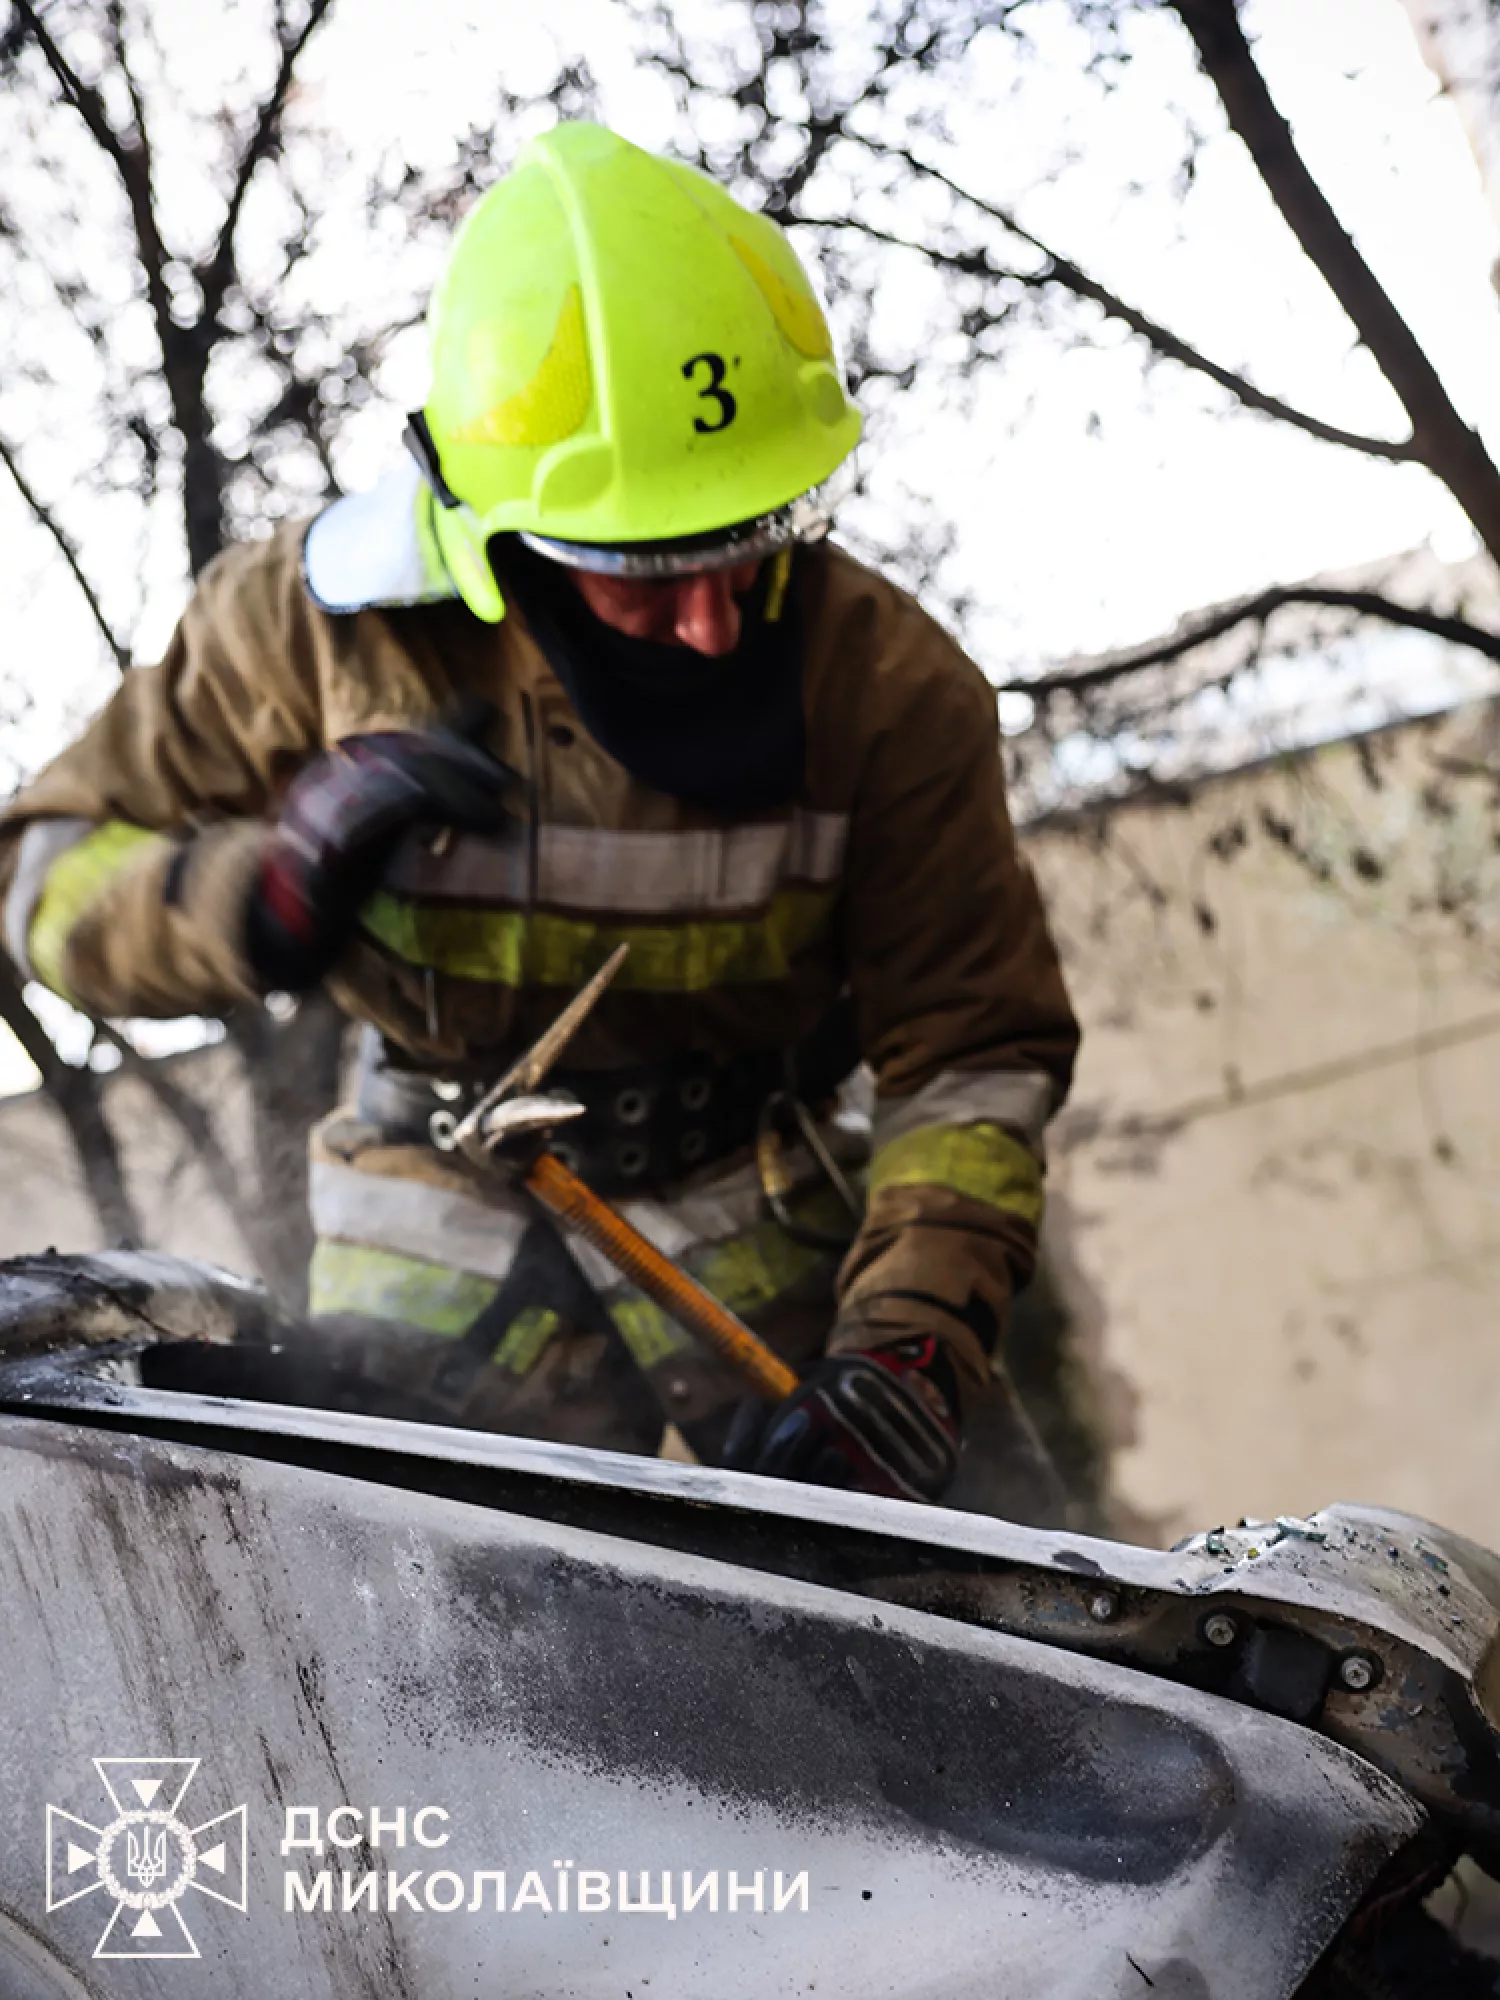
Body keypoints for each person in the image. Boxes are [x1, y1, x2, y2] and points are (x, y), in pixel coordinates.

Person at [0, 122, 1079, 1511]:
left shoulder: (892, 686)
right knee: (394, 1609)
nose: (710, 623)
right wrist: (260, 896)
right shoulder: (307, 633)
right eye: (648, 568)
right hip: (431, 1242)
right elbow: (39, 875)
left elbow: (975, 1050)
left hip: (782, 1236)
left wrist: (913, 1347)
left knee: (987, 1608)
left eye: (752, 538)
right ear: (500, 532)